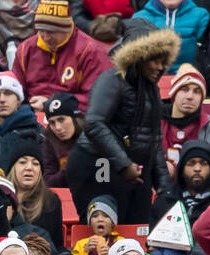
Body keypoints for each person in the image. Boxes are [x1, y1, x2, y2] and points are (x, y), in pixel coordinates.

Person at [67, 24, 179, 225]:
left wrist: (163, 185)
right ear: (137, 57)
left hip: (133, 171)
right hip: (97, 166)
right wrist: (124, 164)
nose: (161, 67)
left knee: (138, 230)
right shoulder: (111, 79)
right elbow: (93, 123)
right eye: (155, 60)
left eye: (164, 61)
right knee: (104, 230)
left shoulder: (150, 88)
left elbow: (153, 139)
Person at [12, 0, 113, 106]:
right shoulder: (25, 49)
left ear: (67, 29)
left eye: (52, 32)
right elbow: (15, 92)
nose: (45, 37)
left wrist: (51, 104)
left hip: (74, 116)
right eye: (41, 30)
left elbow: (98, 98)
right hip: (32, 115)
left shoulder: (91, 51)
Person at [151, 139, 210, 255]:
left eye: (203, 163)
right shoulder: (165, 198)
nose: (197, 168)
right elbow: (152, 239)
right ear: (182, 168)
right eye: (191, 163)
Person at [1, 133, 67, 255]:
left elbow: (57, 245)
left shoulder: (51, 201)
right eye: (22, 162)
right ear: (12, 168)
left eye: (36, 164)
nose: (29, 168)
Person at [162, 65, 210, 174]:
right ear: (174, 93)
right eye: (184, 89)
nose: (190, 96)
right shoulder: (153, 122)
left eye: (197, 91)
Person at [42, 93, 82, 187]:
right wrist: (69, 169)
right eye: (52, 122)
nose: (58, 128)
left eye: (61, 120)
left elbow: (105, 178)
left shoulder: (94, 137)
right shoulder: (49, 140)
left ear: (74, 118)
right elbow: (48, 182)